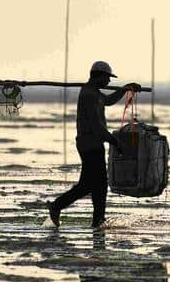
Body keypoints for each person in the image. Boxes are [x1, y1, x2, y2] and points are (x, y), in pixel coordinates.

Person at [46, 61, 141, 228]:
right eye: (107, 78)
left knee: (91, 185)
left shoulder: (93, 93)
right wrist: (114, 141)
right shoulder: (90, 95)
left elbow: (108, 100)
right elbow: (96, 126)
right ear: (99, 76)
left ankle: (93, 217)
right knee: (97, 184)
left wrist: (125, 88)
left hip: (90, 144)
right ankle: (85, 216)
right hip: (90, 145)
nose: (109, 82)